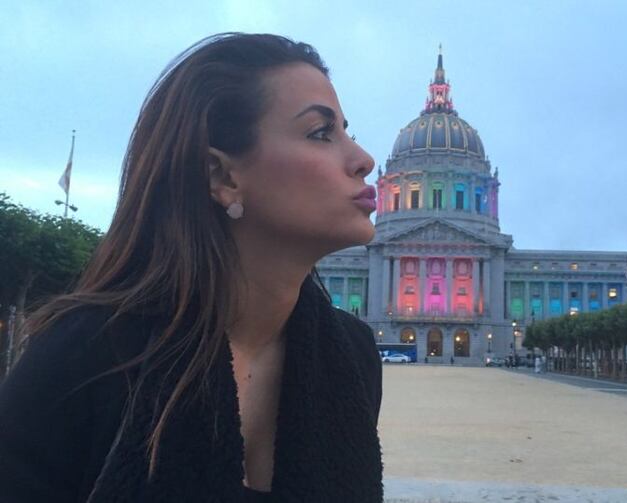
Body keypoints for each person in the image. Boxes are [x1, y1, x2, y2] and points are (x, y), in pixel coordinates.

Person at [0, 33, 383, 502]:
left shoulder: (352, 355)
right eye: (321, 132)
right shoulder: (85, 354)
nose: (364, 160)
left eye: (347, 132)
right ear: (222, 175)